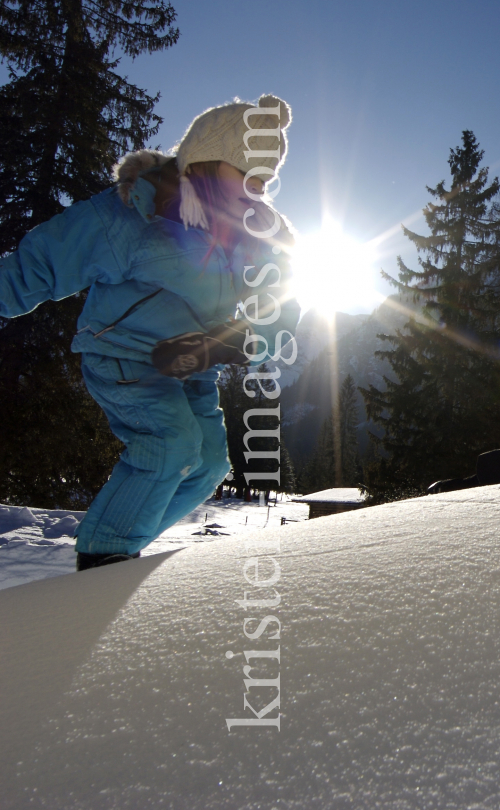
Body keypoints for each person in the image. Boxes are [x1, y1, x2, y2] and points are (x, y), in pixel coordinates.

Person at [0, 94, 300, 570]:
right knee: (170, 445)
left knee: (206, 466)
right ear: (206, 161)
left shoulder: (258, 233)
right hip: (123, 356)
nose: (257, 189)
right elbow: (41, 263)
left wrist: (228, 342)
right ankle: (104, 561)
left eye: (265, 179)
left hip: (190, 367)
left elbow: (280, 303)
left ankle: (124, 546)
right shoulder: (137, 211)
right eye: (247, 172)